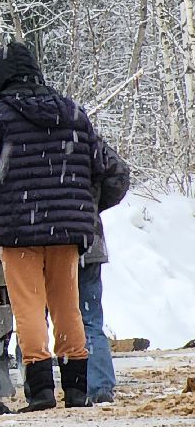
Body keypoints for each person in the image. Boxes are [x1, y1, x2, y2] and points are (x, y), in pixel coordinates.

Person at [0, 41, 112, 411]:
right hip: (68, 230)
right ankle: (77, 392)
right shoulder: (74, 112)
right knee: (68, 306)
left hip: (19, 229)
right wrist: (78, 209)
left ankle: (41, 392)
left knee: (28, 308)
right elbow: (99, 166)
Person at [81, 138, 131, 404]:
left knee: (33, 317)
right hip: (86, 239)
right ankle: (99, 387)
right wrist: (92, 206)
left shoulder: (12, 130)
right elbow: (118, 173)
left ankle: (39, 388)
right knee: (90, 320)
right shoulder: (79, 128)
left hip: (34, 243)